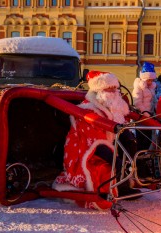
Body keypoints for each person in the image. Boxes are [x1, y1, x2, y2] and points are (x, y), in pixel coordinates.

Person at [53, 70, 140, 209]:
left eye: (114, 88)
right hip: (86, 150)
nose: (114, 91)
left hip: (107, 144)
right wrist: (114, 160)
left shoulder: (114, 107)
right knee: (107, 165)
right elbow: (94, 142)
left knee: (128, 144)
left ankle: (124, 184)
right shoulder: (89, 109)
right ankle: (115, 185)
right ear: (99, 90)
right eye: (109, 88)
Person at [132, 62, 157, 150]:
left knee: (148, 139)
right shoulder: (138, 87)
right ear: (144, 78)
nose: (150, 82)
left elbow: (153, 101)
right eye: (149, 80)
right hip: (141, 118)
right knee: (142, 140)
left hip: (149, 117)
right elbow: (137, 102)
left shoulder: (151, 88)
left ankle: (144, 157)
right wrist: (145, 113)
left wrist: (156, 110)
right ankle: (139, 159)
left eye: (152, 80)